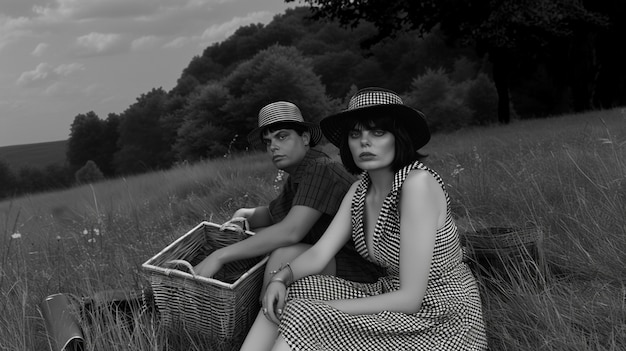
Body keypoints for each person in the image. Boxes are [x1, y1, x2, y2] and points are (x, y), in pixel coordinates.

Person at [242, 88, 487, 350]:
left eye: (378, 132)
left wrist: (323, 310)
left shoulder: (417, 185)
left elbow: (411, 298)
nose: (364, 142)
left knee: (305, 314)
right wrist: (281, 279)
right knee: (294, 293)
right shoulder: (359, 191)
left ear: (398, 137)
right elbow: (320, 254)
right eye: (355, 134)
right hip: (389, 294)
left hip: (441, 318)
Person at [193, 101, 384, 291]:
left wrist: (219, 255)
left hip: (361, 268)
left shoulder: (321, 168)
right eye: (268, 142)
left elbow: (291, 231)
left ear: (305, 138)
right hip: (328, 256)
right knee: (260, 237)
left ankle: (264, 312)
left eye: (282, 137)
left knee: (283, 255)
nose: (273, 147)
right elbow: (271, 214)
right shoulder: (299, 175)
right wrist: (244, 214)